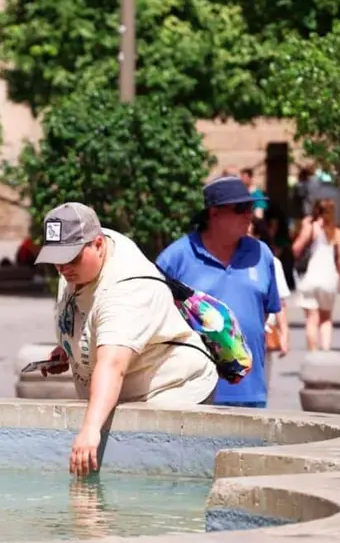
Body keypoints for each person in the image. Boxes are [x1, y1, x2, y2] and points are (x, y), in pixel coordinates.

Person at [35, 203, 218, 478]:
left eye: (71, 258)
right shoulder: (81, 264)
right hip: (123, 387)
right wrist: (70, 349)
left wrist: (89, 429)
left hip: (171, 390)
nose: (63, 268)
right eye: (56, 258)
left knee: (152, 487)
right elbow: (91, 319)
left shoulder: (127, 289)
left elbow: (112, 365)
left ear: (98, 244)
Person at [155, 176, 282, 409]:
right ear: (214, 213)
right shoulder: (175, 259)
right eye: (241, 208)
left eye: (251, 208)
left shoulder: (261, 254)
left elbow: (262, 314)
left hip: (251, 392)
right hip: (194, 392)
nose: (249, 215)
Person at [293, 199, 340, 351]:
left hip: (311, 278)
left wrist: (304, 227)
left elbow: (296, 249)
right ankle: (325, 352)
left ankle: (313, 353)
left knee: (312, 319)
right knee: (326, 318)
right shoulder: (337, 233)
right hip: (329, 280)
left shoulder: (311, 228)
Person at [250, 218, 290, 388]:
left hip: (263, 334)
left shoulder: (271, 262)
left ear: (258, 235)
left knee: (261, 386)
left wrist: (284, 335)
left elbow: (279, 302)